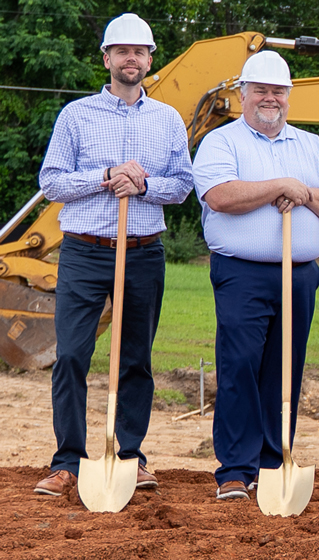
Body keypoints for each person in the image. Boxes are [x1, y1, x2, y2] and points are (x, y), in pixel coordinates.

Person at [34, 13, 194, 496]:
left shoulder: (167, 119)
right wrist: (106, 175)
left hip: (143, 253)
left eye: (139, 51)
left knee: (136, 359)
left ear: (149, 60)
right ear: (106, 59)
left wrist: (142, 185)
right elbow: (52, 183)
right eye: (121, 51)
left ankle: (130, 457)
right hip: (84, 252)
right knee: (71, 356)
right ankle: (68, 462)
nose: (131, 58)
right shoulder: (76, 115)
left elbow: (182, 186)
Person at [192, 50, 319, 500]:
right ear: (243, 94)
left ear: (288, 96)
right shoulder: (222, 142)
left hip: (299, 275)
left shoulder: (310, 144)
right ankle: (235, 470)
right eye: (260, 90)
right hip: (241, 273)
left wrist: (303, 194)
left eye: (278, 91)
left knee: (285, 368)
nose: (270, 98)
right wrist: (279, 186)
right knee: (240, 364)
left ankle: (273, 462)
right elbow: (221, 196)